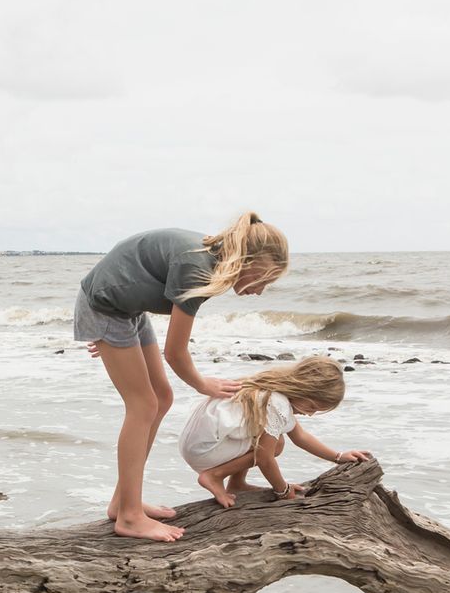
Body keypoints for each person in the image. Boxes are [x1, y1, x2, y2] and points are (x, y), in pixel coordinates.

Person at [74, 212, 290, 541]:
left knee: (161, 398)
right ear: (248, 261)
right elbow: (175, 353)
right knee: (143, 405)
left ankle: (123, 503)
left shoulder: (209, 261)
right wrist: (203, 384)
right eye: (264, 279)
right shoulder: (199, 268)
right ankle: (129, 517)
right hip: (107, 306)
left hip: (123, 307)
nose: (260, 291)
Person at [177, 356, 372, 507]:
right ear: (303, 390)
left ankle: (237, 484)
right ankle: (214, 476)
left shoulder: (271, 387)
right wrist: (283, 490)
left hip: (197, 444)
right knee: (275, 445)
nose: (311, 414)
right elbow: (265, 458)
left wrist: (338, 457)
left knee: (266, 437)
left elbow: (300, 436)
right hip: (206, 450)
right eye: (312, 407)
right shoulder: (277, 403)